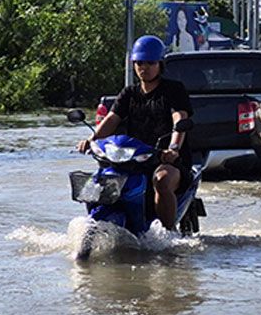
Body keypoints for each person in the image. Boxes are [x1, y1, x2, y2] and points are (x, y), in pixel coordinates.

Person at [76, 35, 193, 231]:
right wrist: (91, 140)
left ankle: (168, 234)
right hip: (131, 159)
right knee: (99, 180)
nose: (143, 67)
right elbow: (111, 120)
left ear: (160, 64)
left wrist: (173, 149)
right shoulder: (128, 93)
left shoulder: (173, 90)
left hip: (165, 159)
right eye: (139, 62)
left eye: (150, 62)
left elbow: (179, 118)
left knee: (162, 180)